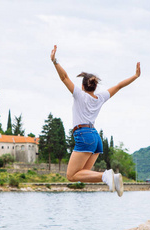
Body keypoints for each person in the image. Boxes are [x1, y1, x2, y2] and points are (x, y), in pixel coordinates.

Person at [50, 45, 140, 197]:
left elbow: (64, 77)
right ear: (94, 86)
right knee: (82, 173)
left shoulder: (79, 95)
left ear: (83, 86)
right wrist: (135, 76)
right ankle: (112, 178)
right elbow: (119, 86)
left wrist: (55, 61)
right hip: (95, 138)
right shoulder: (100, 97)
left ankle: (106, 176)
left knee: (71, 176)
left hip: (84, 136)